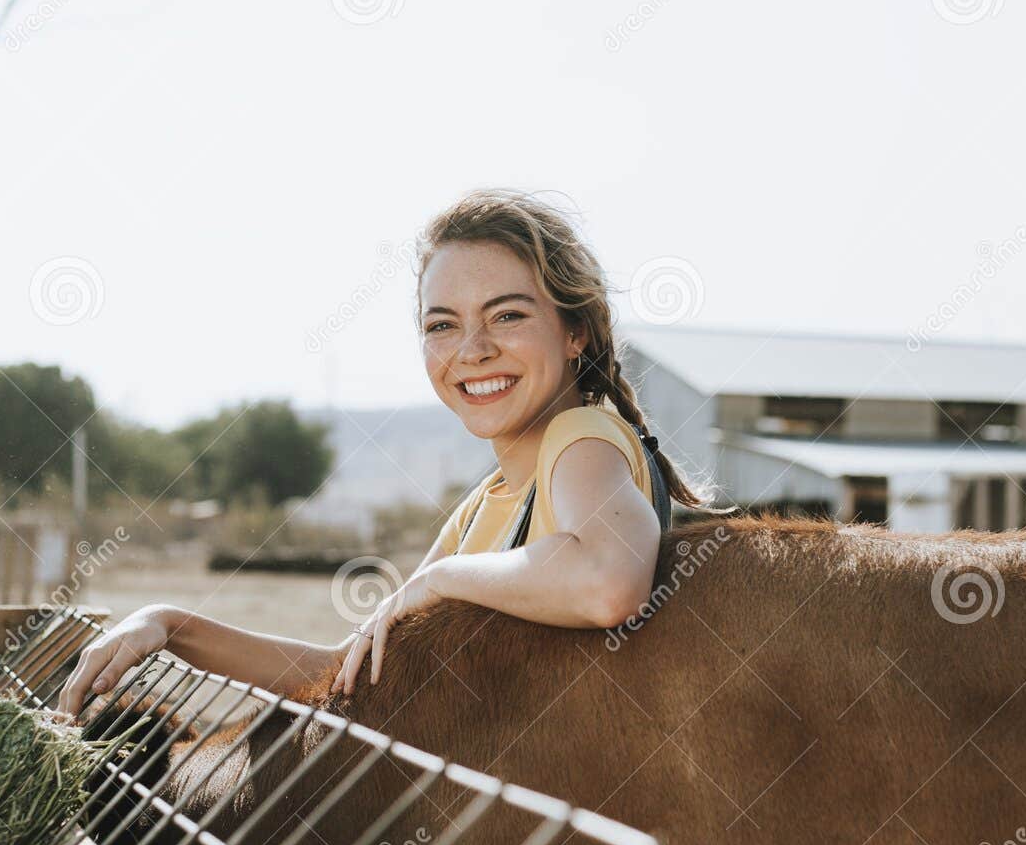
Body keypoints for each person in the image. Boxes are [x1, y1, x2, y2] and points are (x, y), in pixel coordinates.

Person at [56, 188, 709, 717]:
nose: (472, 349)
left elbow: (608, 581)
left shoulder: (580, 436)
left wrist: (438, 579)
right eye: (442, 324)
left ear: (576, 333)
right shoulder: (483, 507)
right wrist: (169, 625)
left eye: (507, 315)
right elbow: (344, 672)